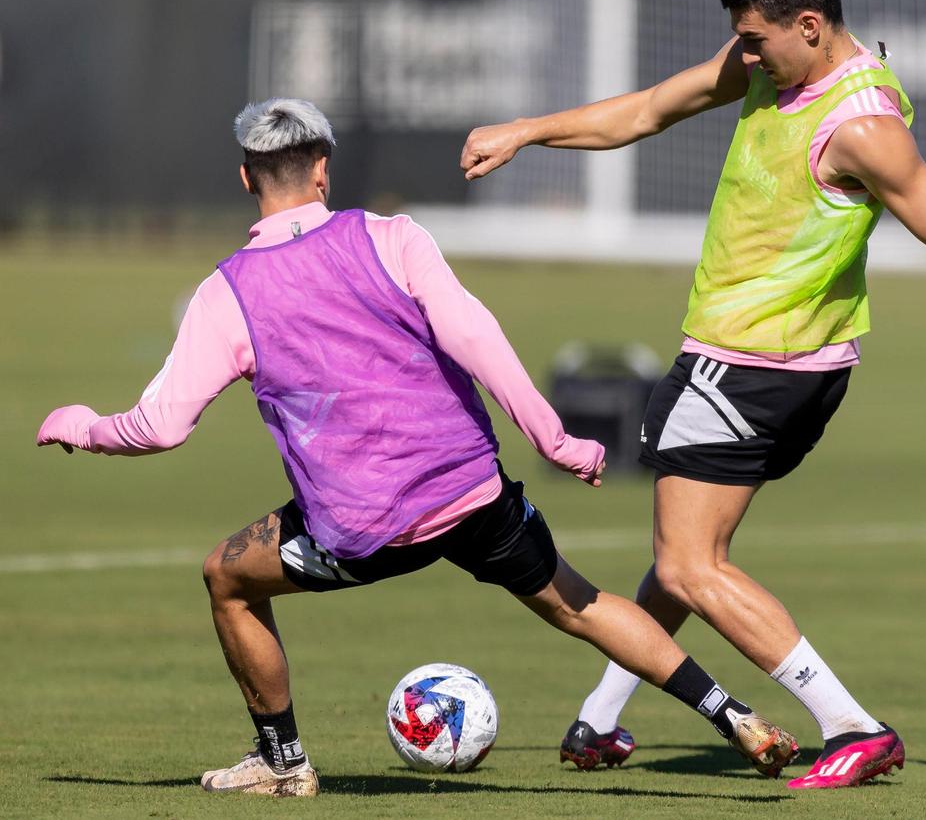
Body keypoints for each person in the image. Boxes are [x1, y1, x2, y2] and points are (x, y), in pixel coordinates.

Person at [35, 98, 803, 798]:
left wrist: (85, 426)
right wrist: (554, 435)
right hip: (471, 491)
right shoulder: (391, 236)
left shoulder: (226, 292)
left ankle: (280, 761)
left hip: (366, 528)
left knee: (227, 578)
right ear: (324, 169)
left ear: (245, 179)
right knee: (581, 602)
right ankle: (731, 711)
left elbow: (159, 425)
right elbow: (474, 333)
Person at [460, 0, 926, 789]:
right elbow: (645, 110)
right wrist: (529, 131)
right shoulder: (773, 68)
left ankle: (853, 725)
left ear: (811, 25)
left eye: (756, 40)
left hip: (748, 365)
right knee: (692, 542)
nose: (744, 55)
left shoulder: (860, 125)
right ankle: (599, 720)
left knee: (688, 562)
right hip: (800, 366)